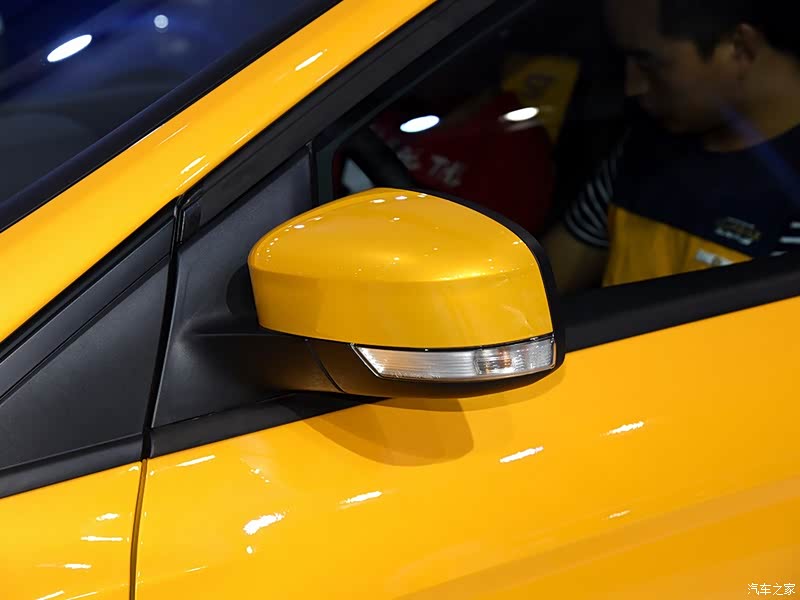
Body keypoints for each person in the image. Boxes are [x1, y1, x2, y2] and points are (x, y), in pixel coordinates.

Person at [543, 0, 800, 292]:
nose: (633, 87)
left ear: (740, 48)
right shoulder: (643, 147)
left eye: (648, 63)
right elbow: (543, 284)